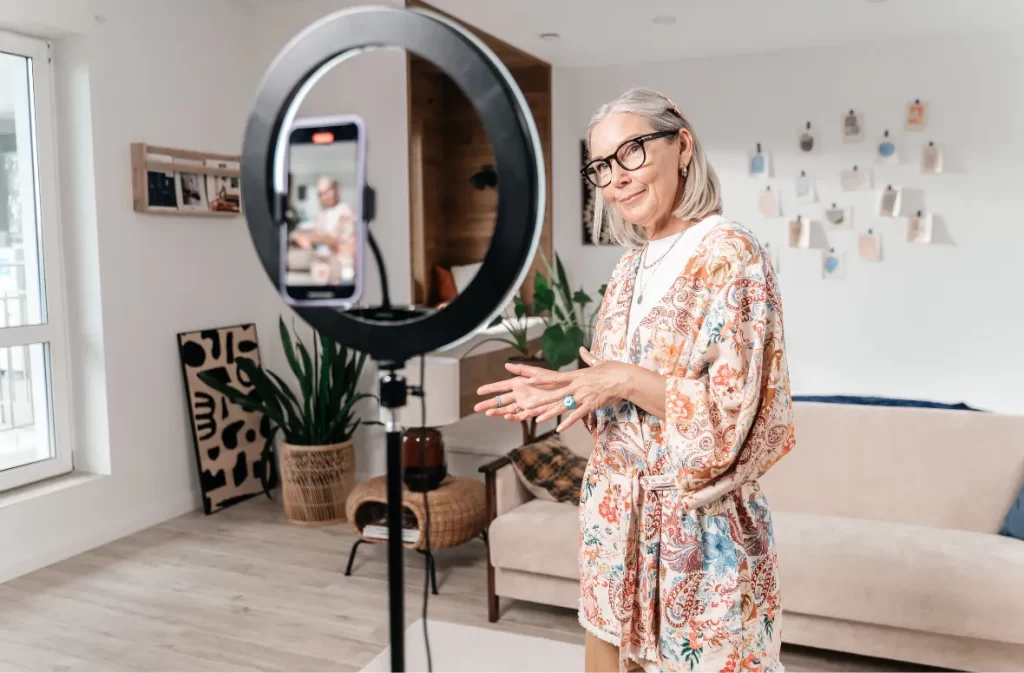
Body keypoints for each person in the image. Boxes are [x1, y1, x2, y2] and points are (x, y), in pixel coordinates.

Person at [474, 87, 795, 672]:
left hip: (700, 538)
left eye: (631, 153)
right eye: (601, 165)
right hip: (612, 526)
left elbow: (733, 412)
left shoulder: (730, 253)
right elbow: (611, 388)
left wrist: (619, 379)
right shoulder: (629, 267)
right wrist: (570, 389)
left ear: (682, 147)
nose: (614, 179)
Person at [290, 176, 356, 283]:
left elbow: (335, 240)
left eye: (326, 192)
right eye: (320, 194)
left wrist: (312, 238)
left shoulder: (345, 212)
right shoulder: (322, 214)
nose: (323, 197)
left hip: (341, 265)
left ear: (335, 190)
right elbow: (318, 233)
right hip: (322, 263)